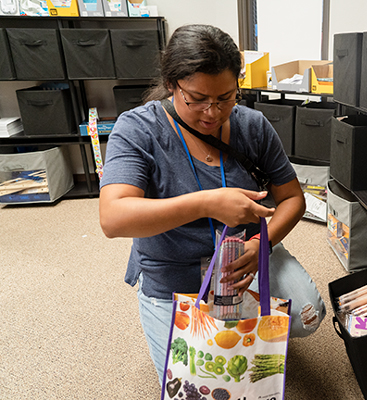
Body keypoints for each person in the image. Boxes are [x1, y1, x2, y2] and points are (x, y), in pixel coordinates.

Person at [98, 24, 326, 384]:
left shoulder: (252, 126)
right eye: (197, 98)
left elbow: (293, 199)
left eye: (226, 97)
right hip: (172, 268)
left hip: (246, 256)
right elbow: (113, 217)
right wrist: (207, 203)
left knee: (307, 315)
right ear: (172, 84)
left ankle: (247, 310)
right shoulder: (138, 128)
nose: (213, 112)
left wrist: (261, 245)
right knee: (195, 384)